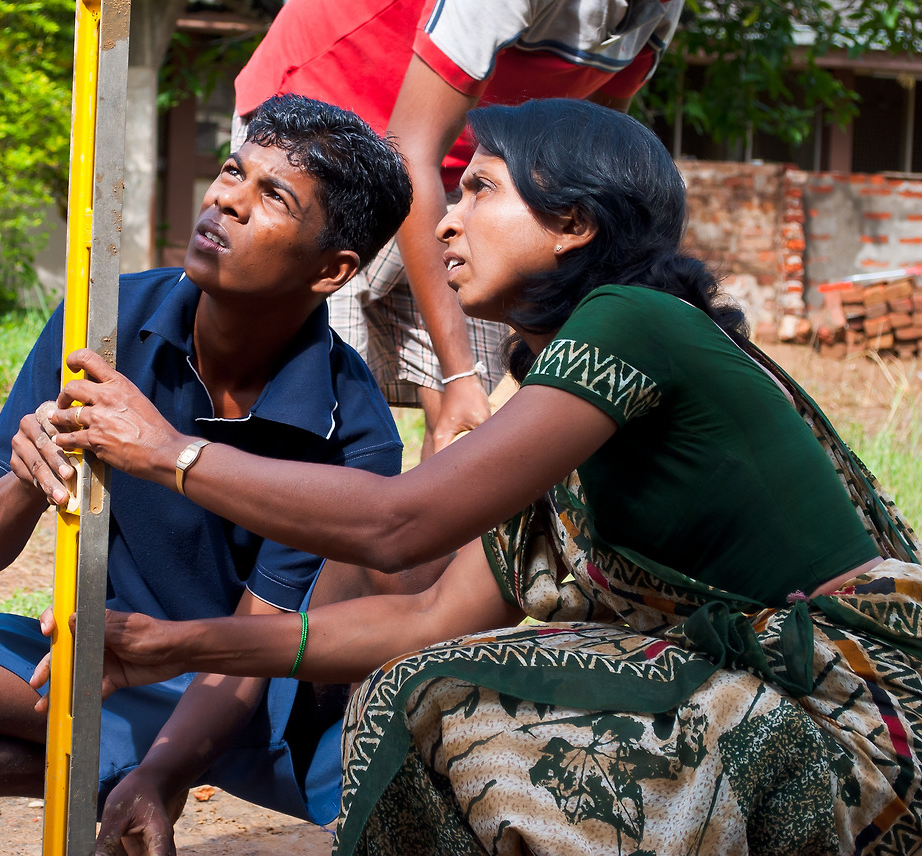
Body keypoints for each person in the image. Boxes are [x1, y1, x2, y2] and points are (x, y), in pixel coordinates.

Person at [54, 99, 922, 855]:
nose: (444, 223)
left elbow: (398, 524)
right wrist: (173, 645)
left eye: (480, 189)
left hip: (857, 727)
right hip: (767, 708)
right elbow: (425, 619)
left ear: (572, 223)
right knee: (426, 678)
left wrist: (170, 453)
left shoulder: (632, 321)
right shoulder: (559, 398)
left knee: (452, 699)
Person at [0, 94, 414, 855]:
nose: (226, 199)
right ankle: (108, 773)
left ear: (333, 269)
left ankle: (149, 775)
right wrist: (29, 477)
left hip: (261, 700)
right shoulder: (101, 326)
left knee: (411, 805)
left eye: (273, 196)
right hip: (112, 662)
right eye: (234, 171)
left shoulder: (349, 433)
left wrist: (162, 776)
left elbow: (257, 646)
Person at [235, 0, 683, 458]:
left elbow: (594, 163)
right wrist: (458, 373)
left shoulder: (661, 8)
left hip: (473, 158)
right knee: (315, 394)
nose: (444, 229)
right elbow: (414, 152)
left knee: (473, 411)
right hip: (328, 118)